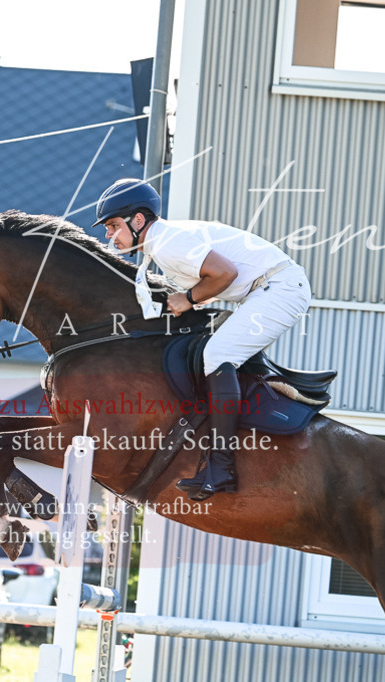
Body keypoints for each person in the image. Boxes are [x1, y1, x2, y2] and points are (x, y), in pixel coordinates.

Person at [93, 179, 311, 501]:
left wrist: (188, 299)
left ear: (138, 221)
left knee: (216, 356)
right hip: (263, 291)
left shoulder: (166, 243)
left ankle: (221, 467)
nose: (109, 235)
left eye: (113, 226)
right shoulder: (159, 244)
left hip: (278, 289)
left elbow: (224, 273)